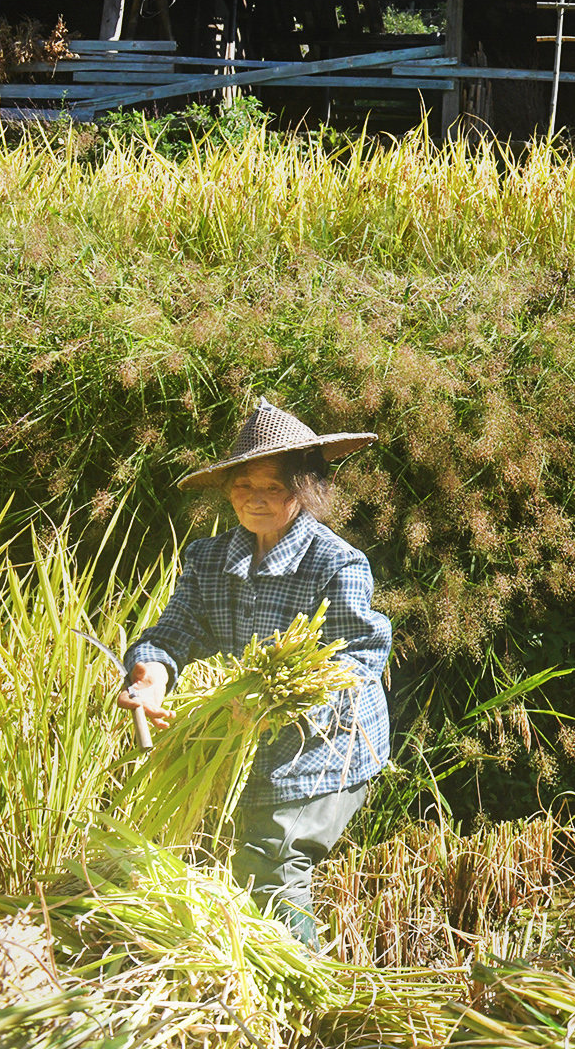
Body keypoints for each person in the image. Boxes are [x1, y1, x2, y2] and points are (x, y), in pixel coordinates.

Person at [118, 398, 393, 944]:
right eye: (244, 486)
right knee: (242, 864)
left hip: (327, 745)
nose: (256, 499)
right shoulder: (210, 559)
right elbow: (172, 634)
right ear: (228, 491)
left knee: (273, 865)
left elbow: (359, 657)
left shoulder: (335, 563)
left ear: (305, 490)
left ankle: (311, 1002)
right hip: (251, 737)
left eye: (274, 487)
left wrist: (279, 702)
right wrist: (149, 675)